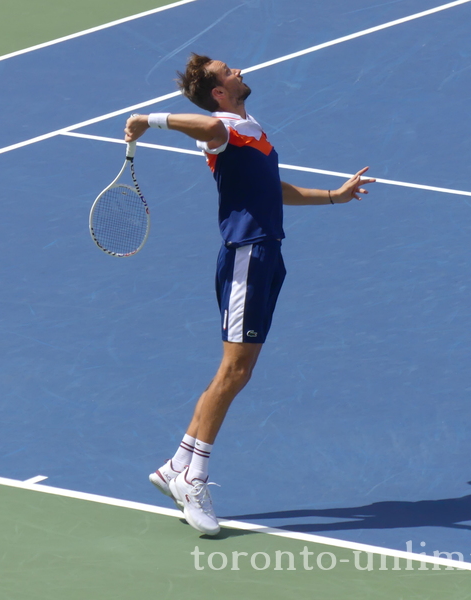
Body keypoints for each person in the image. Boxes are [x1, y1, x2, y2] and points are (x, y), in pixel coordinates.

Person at [124, 54, 374, 536]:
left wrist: (333, 196)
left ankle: (179, 465)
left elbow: (270, 189)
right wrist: (150, 120)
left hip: (265, 253)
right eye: (228, 71)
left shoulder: (248, 129)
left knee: (235, 371)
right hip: (246, 255)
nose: (238, 70)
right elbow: (202, 127)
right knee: (235, 370)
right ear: (219, 92)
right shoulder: (219, 128)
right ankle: (193, 476)